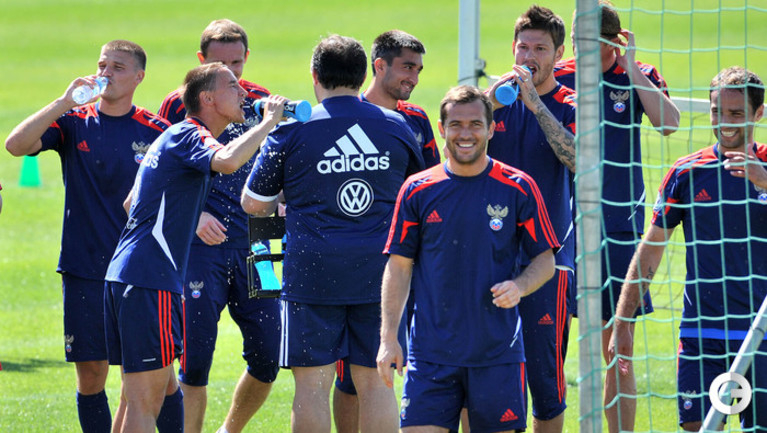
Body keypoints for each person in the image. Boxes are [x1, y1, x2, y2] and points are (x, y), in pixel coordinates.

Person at [241, 34, 424, 433]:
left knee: (312, 387)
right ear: (363, 75)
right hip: (380, 274)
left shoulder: (291, 130)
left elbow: (254, 205)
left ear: (315, 75)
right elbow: (419, 199)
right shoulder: (397, 127)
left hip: (312, 274)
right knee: (378, 383)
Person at [104, 63, 286, 433]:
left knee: (145, 395)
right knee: (149, 399)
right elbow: (229, 161)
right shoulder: (191, 133)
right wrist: (269, 122)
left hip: (141, 273)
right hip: (153, 279)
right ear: (207, 98)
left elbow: (131, 203)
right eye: (232, 85)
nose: (244, 92)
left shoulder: (177, 137)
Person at [4, 40, 170, 433]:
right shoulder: (74, 121)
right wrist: (63, 102)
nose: (105, 73)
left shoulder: (157, 131)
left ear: (139, 77)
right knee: (92, 374)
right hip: (84, 266)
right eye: (101, 65)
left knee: (146, 375)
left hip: (140, 271)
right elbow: (15, 145)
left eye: (117, 67)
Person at [377, 84, 559, 432]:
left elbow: (545, 260)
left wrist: (519, 286)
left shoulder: (518, 186)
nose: (465, 134)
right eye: (456, 124)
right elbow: (398, 267)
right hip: (430, 356)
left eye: (475, 124)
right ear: (441, 129)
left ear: (491, 129)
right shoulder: (417, 189)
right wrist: (388, 339)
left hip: (497, 355)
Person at [609, 65, 767, 431]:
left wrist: (764, 180)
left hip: (761, 333)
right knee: (697, 426)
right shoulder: (687, 172)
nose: (725, 122)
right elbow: (650, 250)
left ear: (759, 113)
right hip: (701, 334)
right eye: (717, 111)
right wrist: (623, 321)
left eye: (736, 114)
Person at [554, 2, 680, 431]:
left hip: (618, 228)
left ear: (613, 41)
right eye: (574, 41)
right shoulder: (560, 76)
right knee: (550, 347)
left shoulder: (636, 74)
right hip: (560, 227)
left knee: (617, 349)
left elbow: (669, 123)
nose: (578, 50)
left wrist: (632, 68)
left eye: (588, 42)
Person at [157, 19, 280, 433]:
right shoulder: (178, 105)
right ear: (201, 61)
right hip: (201, 247)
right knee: (194, 362)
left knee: (269, 353)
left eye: (238, 63)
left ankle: (229, 430)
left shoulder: (261, 102)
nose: (233, 73)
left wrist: (281, 202)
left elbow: (278, 164)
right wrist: (193, 217)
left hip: (260, 242)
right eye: (221, 64)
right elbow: (156, 173)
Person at [334, 28, 438, 433]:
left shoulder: (416, 119)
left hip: (405, 261)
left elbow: (432, 183)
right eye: (407, 68)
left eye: (419, 70)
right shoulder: (344, 114)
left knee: (393, 363)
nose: (414, 77)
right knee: (349, 377)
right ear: (379, 66)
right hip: (354, 264)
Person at [484, 6, 576, 433]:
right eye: (523, 47)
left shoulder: (569, 104)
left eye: (540, 48)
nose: (529, 56)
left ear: (558, 54)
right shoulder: (491, 104)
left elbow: (580, 161)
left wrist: (536, 106)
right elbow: (451, 150)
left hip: (547, 262)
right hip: (488, 258)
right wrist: (486, 104)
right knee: (485, 376)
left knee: (545, 383)